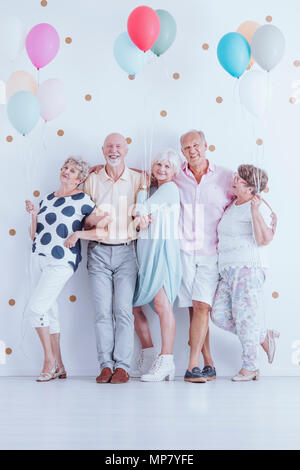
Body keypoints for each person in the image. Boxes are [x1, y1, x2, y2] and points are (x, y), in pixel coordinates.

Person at [131, 129, 235, 382]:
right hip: (183, 251)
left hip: (211, 251)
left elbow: (242, 196)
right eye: (187, 148)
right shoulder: (178, 178)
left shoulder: (224, 176)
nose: (192, 151)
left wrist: (260, 207)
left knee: (202, 306)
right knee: (193, 309)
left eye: (196, 145)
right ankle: (208, 363)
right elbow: (151, 175)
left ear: (206, 145)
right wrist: (102, 166)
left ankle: (191, 366)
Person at [25, 157, 109, 382]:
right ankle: (60, 366)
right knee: (49, 311)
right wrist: (33, 214)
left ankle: (49, 362)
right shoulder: (48, 198)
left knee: (36, 308)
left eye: (72, 171)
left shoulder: (83, 200)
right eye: (65, 168)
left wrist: (79, 234)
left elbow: (103, 230)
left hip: (62, 260)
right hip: (38, 257)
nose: (66, 172)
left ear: (80, 179)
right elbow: (34, 235)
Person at [83, 133, 144, 384]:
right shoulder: (92, 179)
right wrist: (93, 220)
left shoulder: (139, 178)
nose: (114, 149)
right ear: (102, 150)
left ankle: (123, 366)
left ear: (126, 150)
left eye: (118, 146)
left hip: (127, 252)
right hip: (98, 251)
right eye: (109, 146)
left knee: (123, 311)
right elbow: (84, 219)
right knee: (101, 313)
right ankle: (105, 365)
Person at [211, 164, 279, 381]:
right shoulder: (233, 205)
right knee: (218, 315)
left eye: (239, 179)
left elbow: (264, 239)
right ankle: (262, 335)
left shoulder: (258, 207)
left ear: (251, 187)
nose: (233, 180)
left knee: (246, 318)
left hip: (247, 269)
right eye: (235, 176)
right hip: (228, 270)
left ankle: (250, 367)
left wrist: (256, 211)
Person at [133, 149, 182, 382]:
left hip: (162, 253)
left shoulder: (169, 189)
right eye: (158, 164)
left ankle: (166, 360)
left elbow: (141, 209)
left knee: (162, 305)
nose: (162, 169)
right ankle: (149, 352)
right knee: (134, 307)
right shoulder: (156, 189)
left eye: (167, 166)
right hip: (145, 252)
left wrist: (142, 191)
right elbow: (141, 219)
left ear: (174, 171)